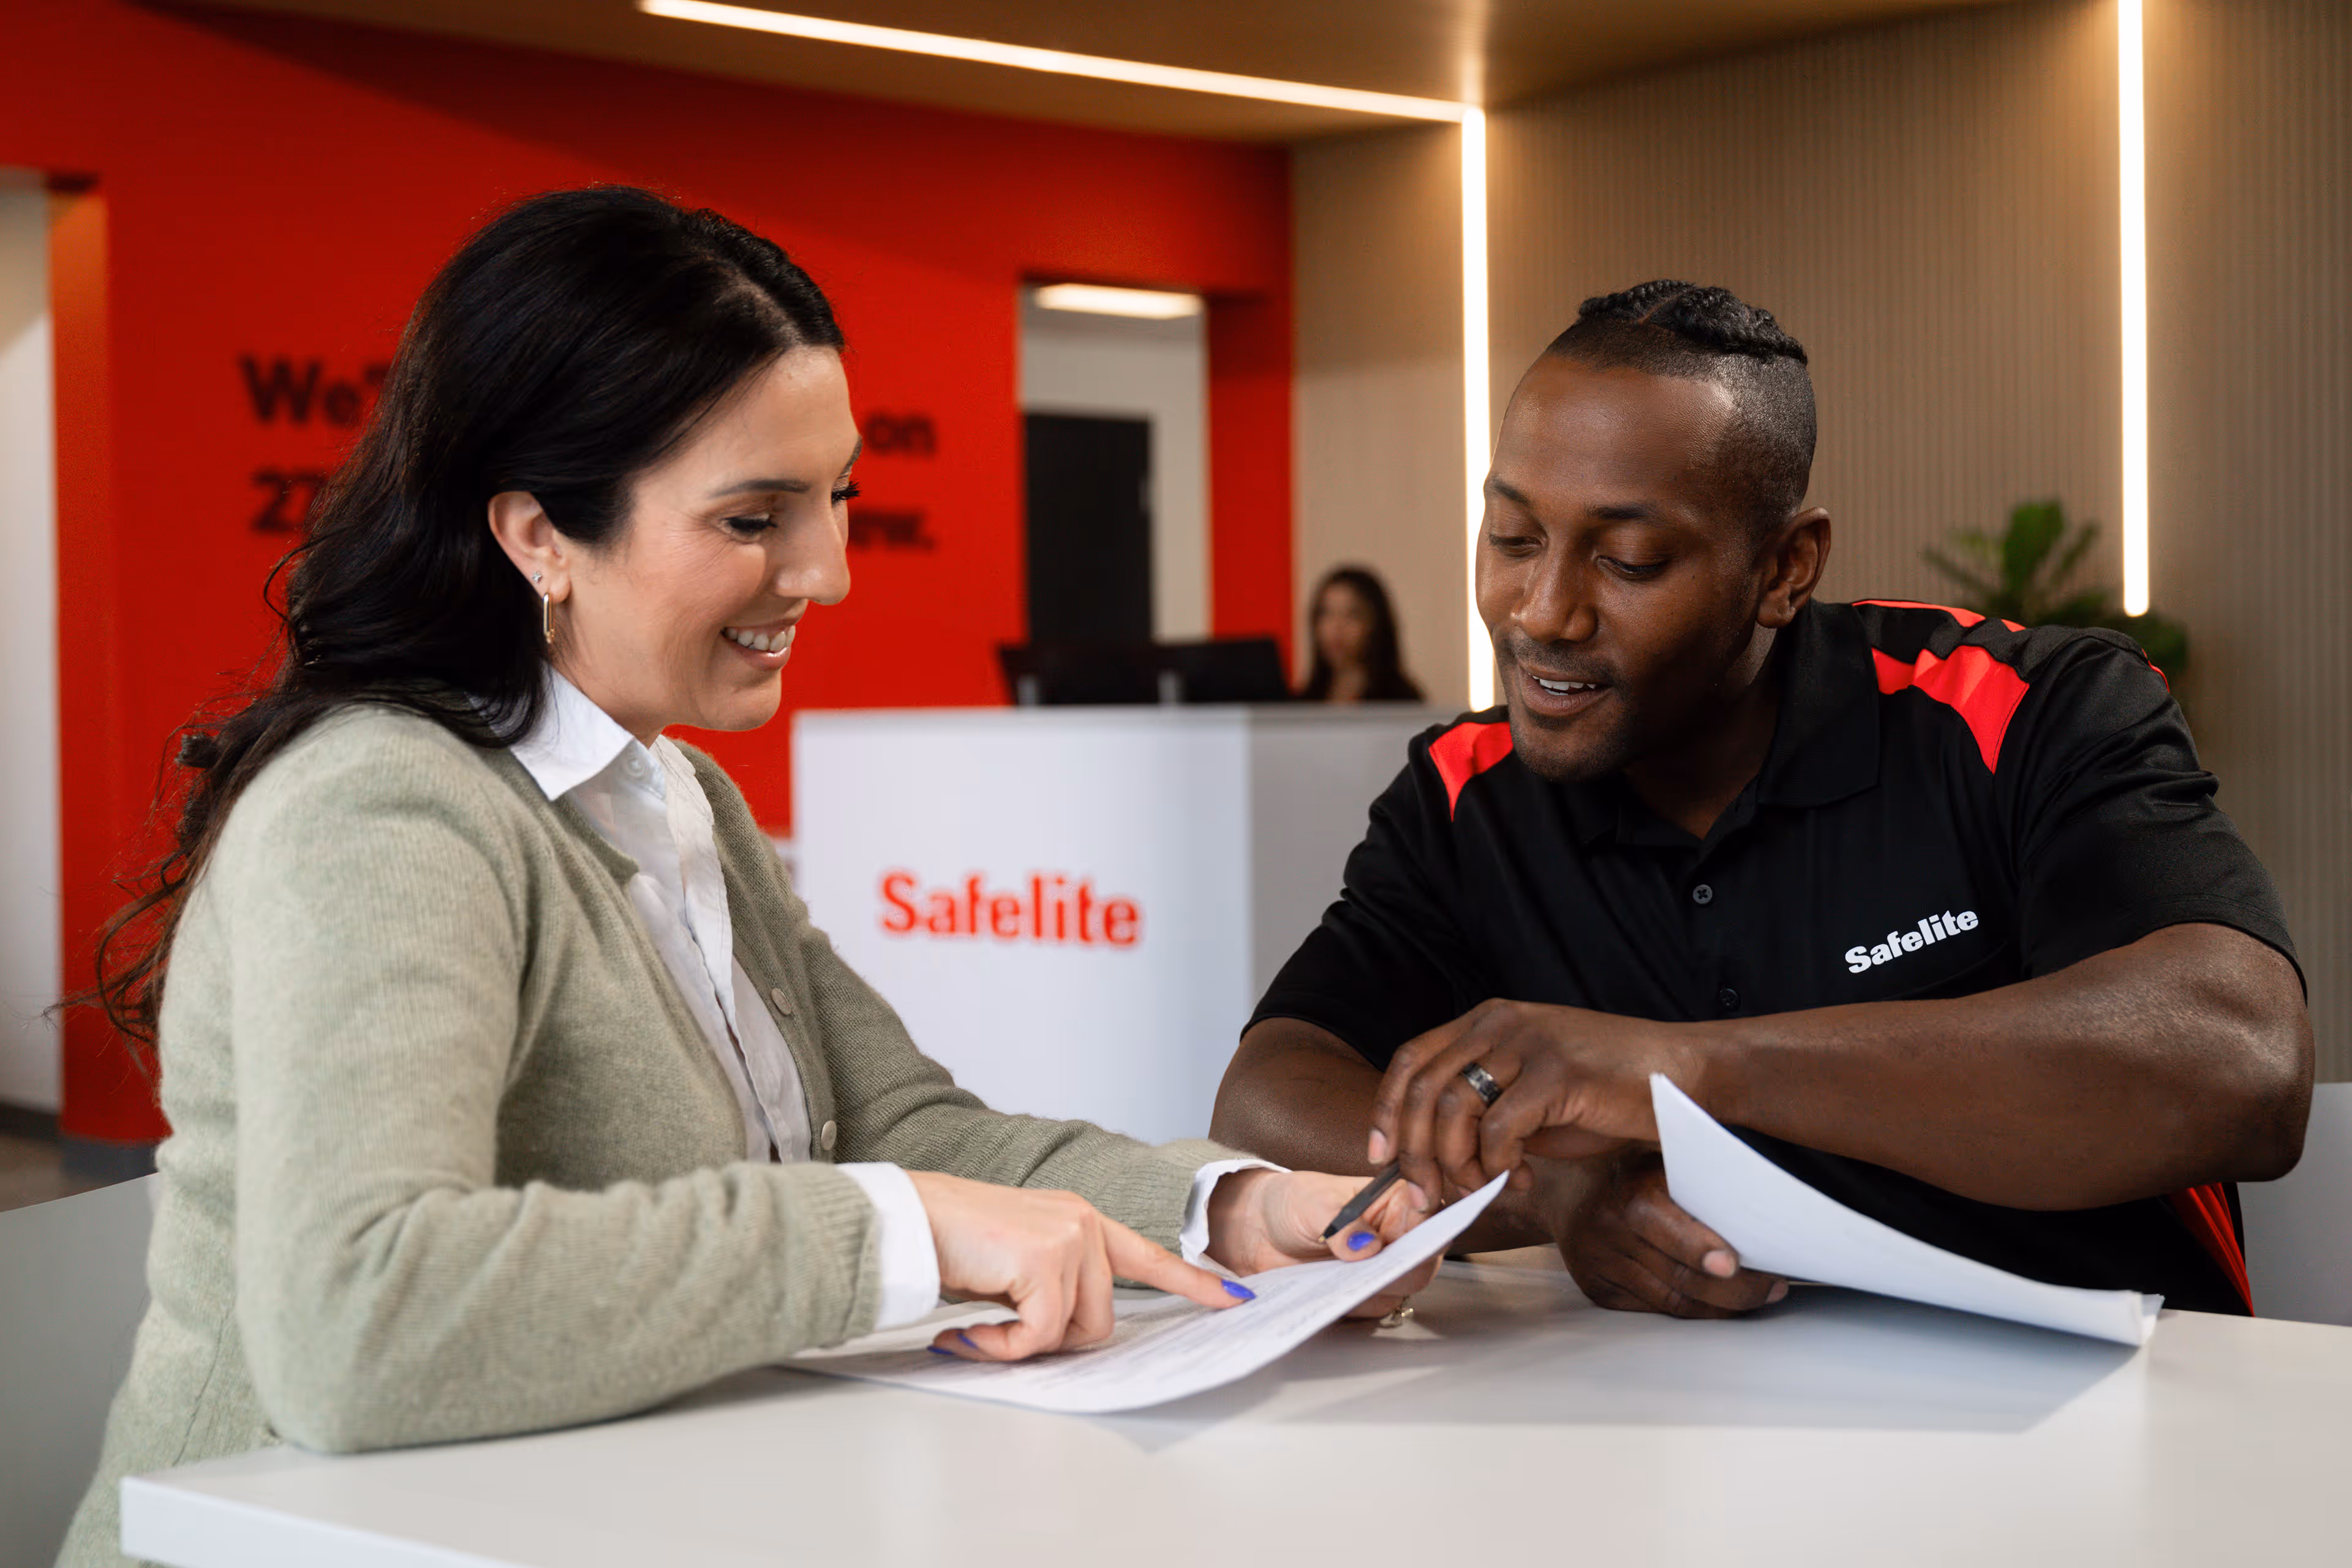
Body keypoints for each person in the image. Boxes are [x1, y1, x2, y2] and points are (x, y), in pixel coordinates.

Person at [61, 188, 1431, 1567]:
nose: (826, 571)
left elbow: (904, 1129)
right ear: (539, 534)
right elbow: (355, 1320)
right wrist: (885, 1228)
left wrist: (1237, 1209)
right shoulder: (379, 806)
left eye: (835, 499)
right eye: (753, 517)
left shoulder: (677, 791)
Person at [1213, 280, 2311, 1322]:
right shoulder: (1467, 792)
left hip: (2104, 1427)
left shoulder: (2022, 713)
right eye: (1513, 538)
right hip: (1689, 1457)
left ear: (1786, 568)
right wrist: (1553, 1192)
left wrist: (1678, 1073)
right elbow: (1270, 1092)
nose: (1543, 611)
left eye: (1629, 559)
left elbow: (2241, 1064)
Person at [1300, 565, 1424, 703]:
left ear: (1375, 623)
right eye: (1326, 613)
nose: (1337, 627)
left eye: (1352, 614)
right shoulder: (1304, 702)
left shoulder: (1401, 700)